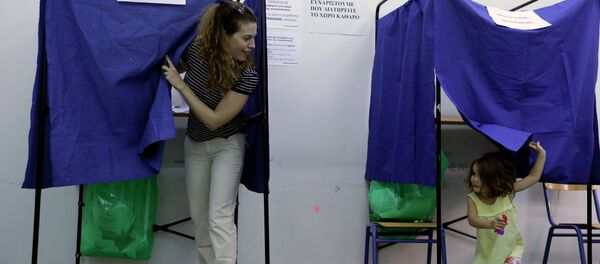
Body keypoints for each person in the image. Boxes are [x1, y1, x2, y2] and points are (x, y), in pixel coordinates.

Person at [162, 1, 258, 263]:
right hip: (195, 145)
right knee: (200, 219)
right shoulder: (196, 50)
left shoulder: (248, 73)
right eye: (246, 38)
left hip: (227, 145)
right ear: (223, 36)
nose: (252, 46)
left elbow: (214, 120)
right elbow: (169, 62)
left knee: (220, 216)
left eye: (254, 38)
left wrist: (181, 85)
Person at [466, 141, 546, 264]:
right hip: (486, 256)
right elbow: (472, 220)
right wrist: (490, 224)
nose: (474, 179)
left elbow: (533, 177)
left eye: (480, 176)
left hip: (511, 251)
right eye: (473, 173)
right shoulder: (473, 198)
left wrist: (541, 154)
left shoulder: (507, 193)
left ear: (494, 179)